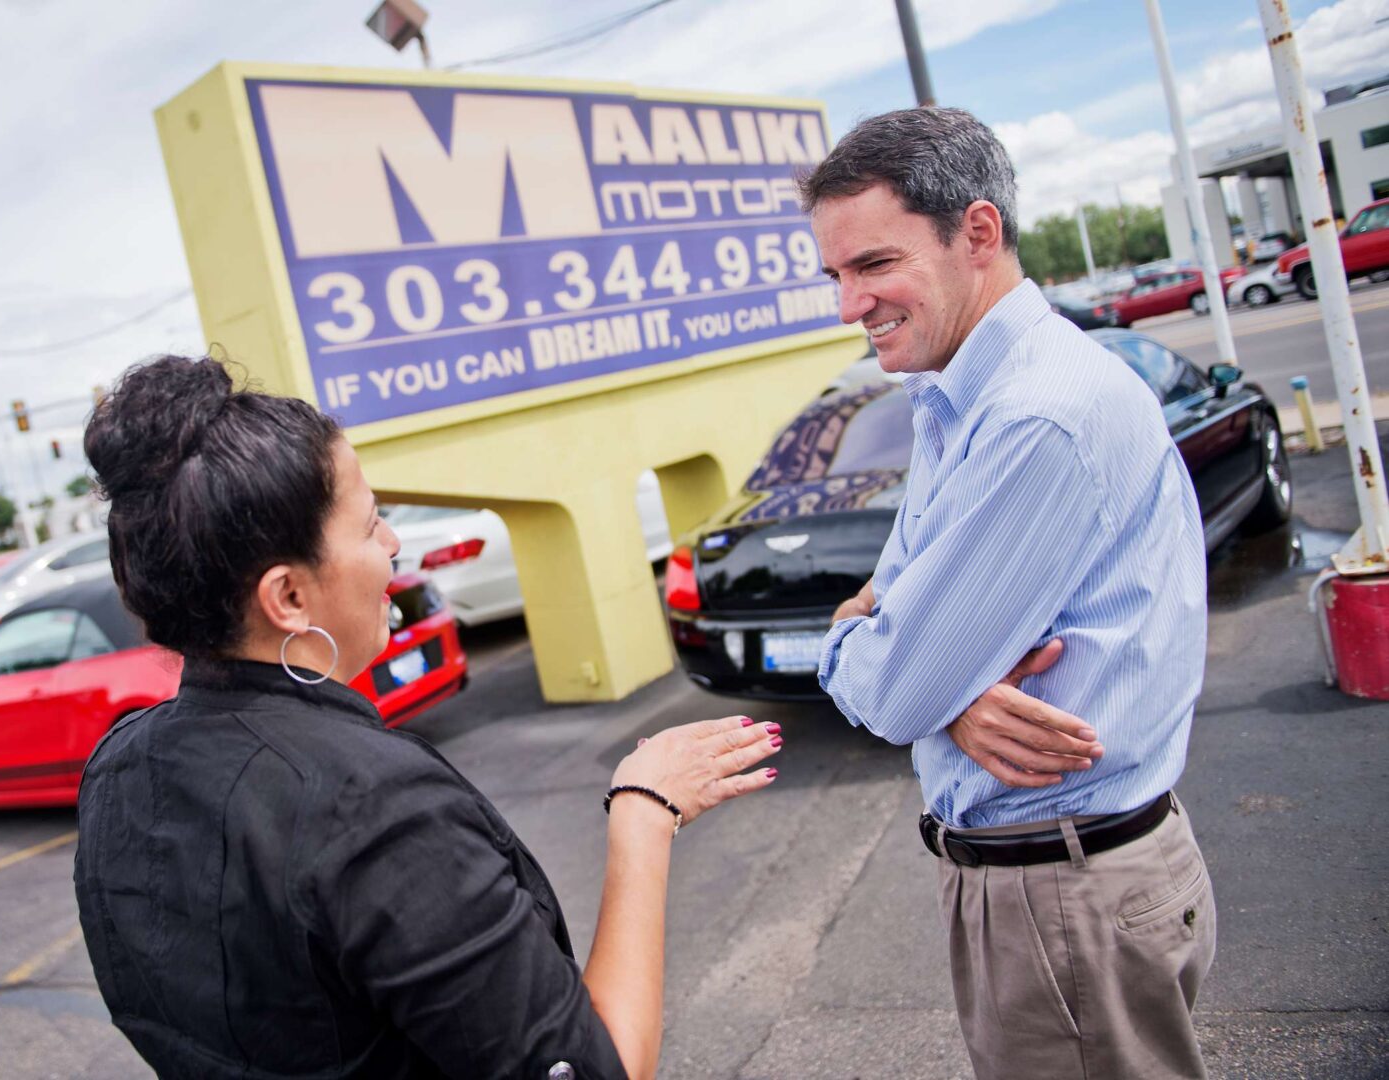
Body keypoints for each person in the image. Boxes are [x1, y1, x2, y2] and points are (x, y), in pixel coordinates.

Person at [72, 355, 785, 1080]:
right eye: (370, 523)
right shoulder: (372, 810)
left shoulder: (119, 768)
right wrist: (645, 810)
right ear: (287, 596)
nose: (392, 545)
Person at [805, 108, 1216, 1078]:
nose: (846, 304)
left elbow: (899, 682)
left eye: (872, 265)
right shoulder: (955, 397)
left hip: (1064, 897)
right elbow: (902, 629)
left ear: (978, 234)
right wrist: (946, 692)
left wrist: (910, 683)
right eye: (834, 274)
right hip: (1057, 885)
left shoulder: (1038, 417)